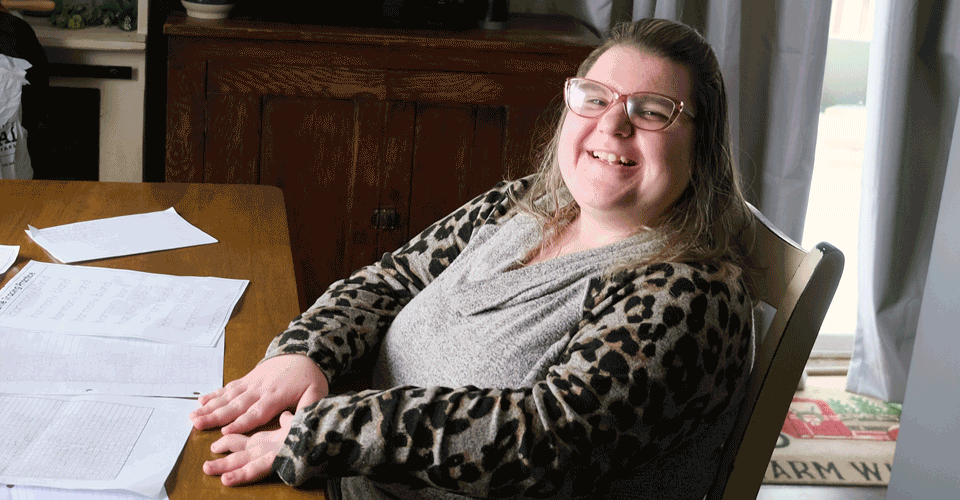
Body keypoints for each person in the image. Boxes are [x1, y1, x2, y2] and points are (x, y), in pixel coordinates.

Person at [190, 17, 757, 500]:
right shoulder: (519, 206)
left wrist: (327, 430)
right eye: (596, 97)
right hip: (332, 458)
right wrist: (305, 353)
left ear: (700, 145)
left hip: (335, 458)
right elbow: (391, 279)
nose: (613, 123)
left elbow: (541, 440)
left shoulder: (691, 295)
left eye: (653, 110)